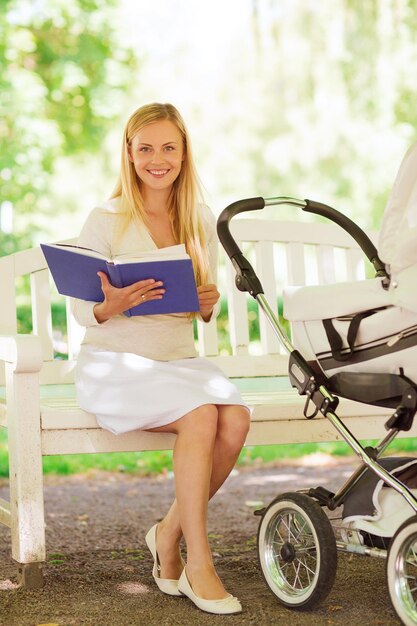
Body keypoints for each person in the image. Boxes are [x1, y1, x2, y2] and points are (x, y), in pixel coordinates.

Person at [71, 103, 250, 615]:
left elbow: (197, 306)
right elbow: (86, 311)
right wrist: (113, 305)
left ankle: (166, 534)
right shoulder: (104, 218)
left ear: (183, 152)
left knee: (233, 418)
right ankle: (199, 563)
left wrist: (207, 303)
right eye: (145, 147)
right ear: (129, 154)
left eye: (168, 147)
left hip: (177, 362)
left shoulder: (197, 220)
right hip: (115, 363)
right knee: (200, 415)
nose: (157, 158)